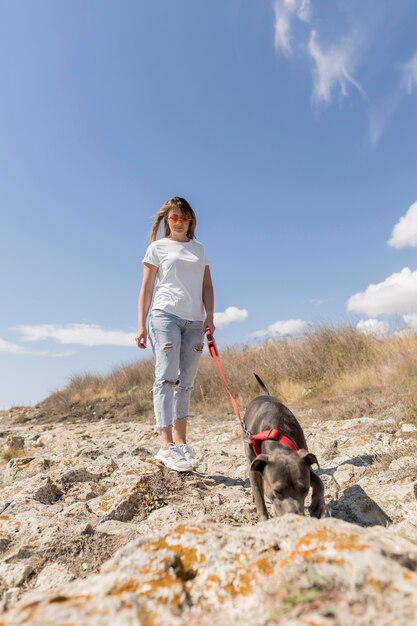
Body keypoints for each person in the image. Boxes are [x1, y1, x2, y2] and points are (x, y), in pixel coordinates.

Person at [136, 197, 215, 472]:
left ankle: (181, 443)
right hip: (164, 316)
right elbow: (146, 289)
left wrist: (210, 318)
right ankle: (166, 446)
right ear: (166, 221)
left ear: (191, 220)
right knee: (167, 377)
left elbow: (207, 286)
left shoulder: (200, 249)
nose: (179, 222)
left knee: (187, 382)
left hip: (194, 321)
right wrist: (141, 325)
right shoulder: (157, 248)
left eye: (184, 218)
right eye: (174, 218)